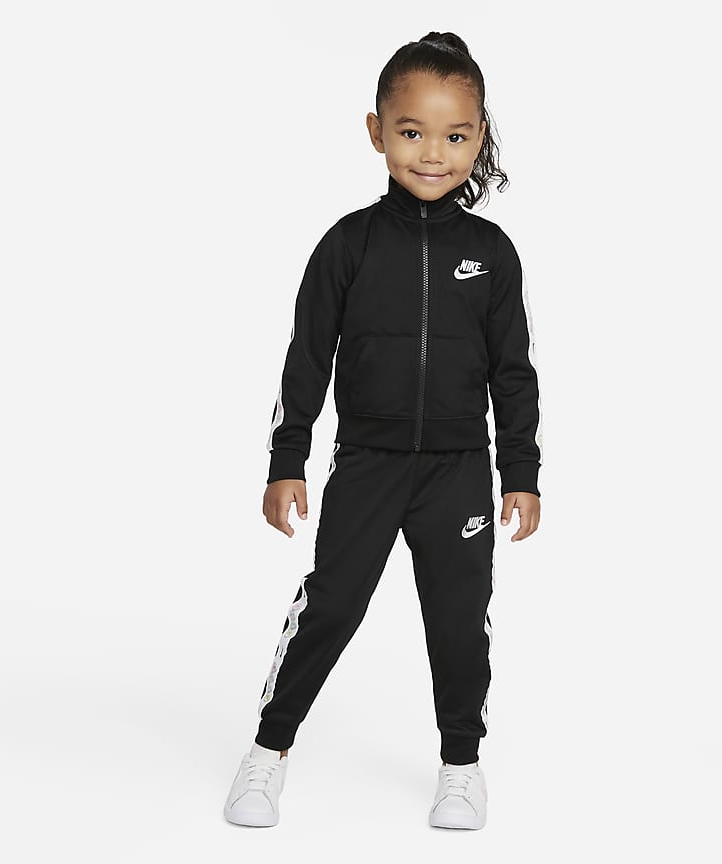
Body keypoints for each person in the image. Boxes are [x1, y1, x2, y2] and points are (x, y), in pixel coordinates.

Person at [224, 30, 542, 831]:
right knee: (330, 606)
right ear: (377, 132)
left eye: (456, 136)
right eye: (412, 132)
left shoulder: (492, 254)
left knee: (459, 620)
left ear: (479, 136)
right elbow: (306, 359)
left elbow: (514, 373)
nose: (433, 153)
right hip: (367, 462)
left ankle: (461, 767)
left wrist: (521, 472)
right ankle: (268, 751)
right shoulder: (348, 245)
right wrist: (287, 460)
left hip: (459, 470)